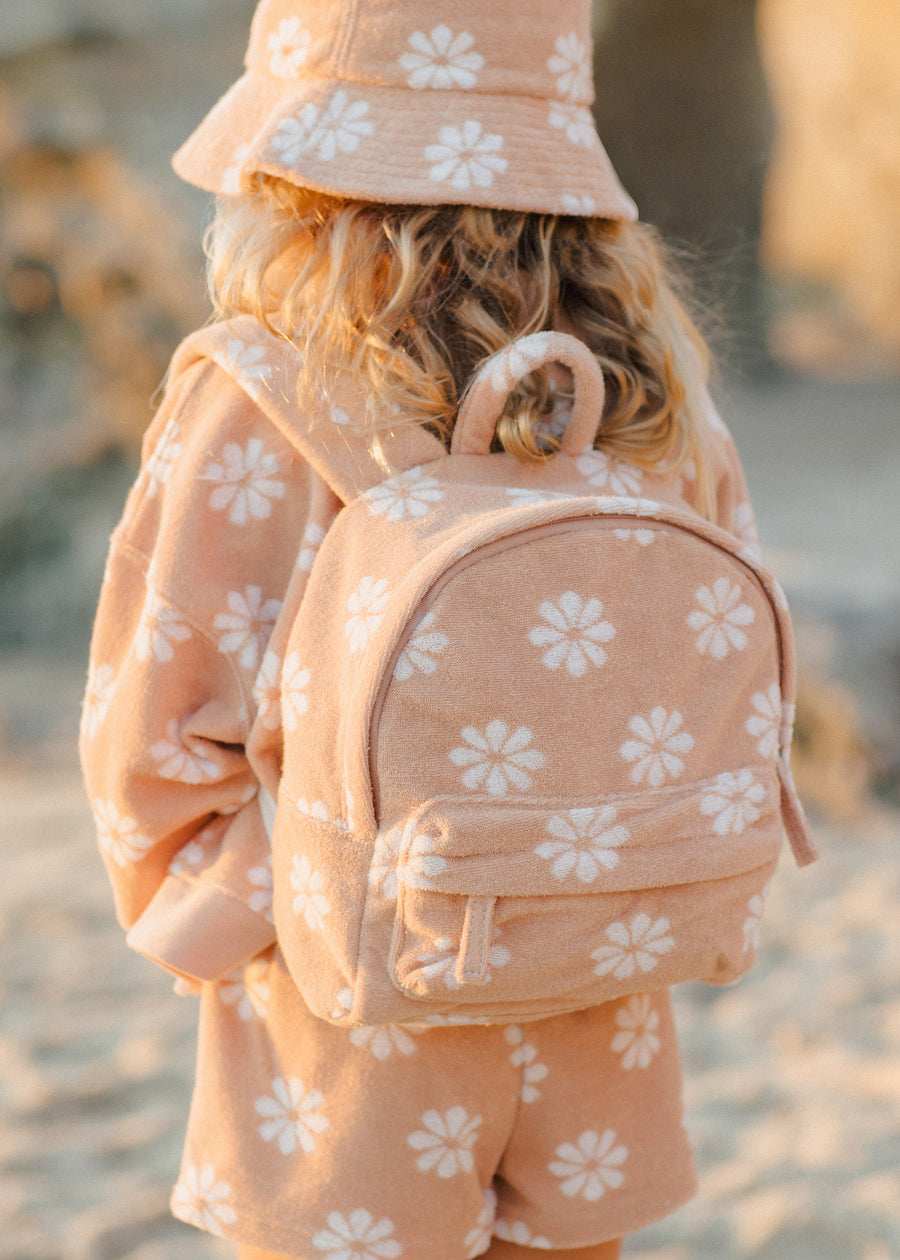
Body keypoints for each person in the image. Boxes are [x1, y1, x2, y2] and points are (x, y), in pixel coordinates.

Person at [80, 2, 766, 1256]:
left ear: (293, 174)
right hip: (602, 963)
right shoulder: (658, 391)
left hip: (349, 1002)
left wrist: (231, 913)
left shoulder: (265, 394)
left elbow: (158, 720)